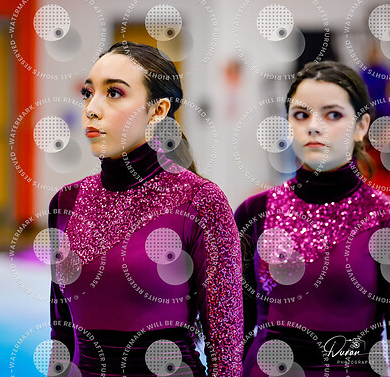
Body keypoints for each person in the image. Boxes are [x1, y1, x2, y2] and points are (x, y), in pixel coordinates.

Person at [48, 42, 243, 377]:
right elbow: (61, 332)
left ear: (158, 110)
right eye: (88, 93)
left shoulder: (200, 200)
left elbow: (226, 347)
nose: (92, 109)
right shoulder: (67, 202)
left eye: (114, 93)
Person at [235, 61, 390, 376]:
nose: (314, 127)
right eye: (301, 115)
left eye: (332, 115)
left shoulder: (383, 217)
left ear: (361, 126)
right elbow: (234, 325)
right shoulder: (255, 212)